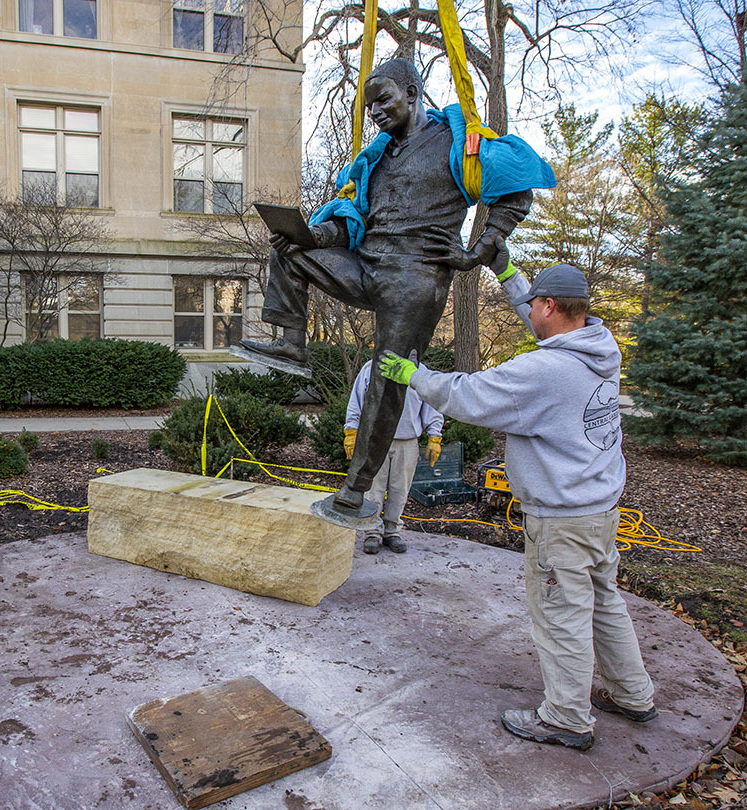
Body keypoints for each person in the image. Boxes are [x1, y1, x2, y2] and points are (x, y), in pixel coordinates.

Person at [240, 57, 555, 525]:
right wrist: (310, 237)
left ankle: (355, 489)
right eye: (371, 107)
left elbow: (517, 188)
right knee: (289, 253)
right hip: (368, 265)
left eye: (384, 99)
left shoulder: (458, 140)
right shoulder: (376, 157)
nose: (378, 113)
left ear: (413, 92)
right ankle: (291, 345)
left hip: (416, 280)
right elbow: (352, 221)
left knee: (387, 380)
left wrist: (478, 250)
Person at [377, 241, 656, 751]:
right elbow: (540, 322)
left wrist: (413, 375)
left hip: (560, 520)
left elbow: (468, 395)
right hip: (598, 509)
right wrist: (506, 271)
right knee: (603, 601)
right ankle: (633, 695)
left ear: (549, 307)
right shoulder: (599, 346)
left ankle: (567, 719)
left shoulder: (544, 372)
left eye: (533, 304)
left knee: (560, 614)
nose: (527, 311)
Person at [344, 362, 443, 554]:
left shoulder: (419, 372)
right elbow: (356, 400)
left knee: (400, 490)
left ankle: (392, 531)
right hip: (375, 440)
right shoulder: (371, 368)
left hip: (407, 441)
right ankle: (372, 532)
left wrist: (434, 436)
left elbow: (431, 404)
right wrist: (351, 431)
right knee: (373, 490)